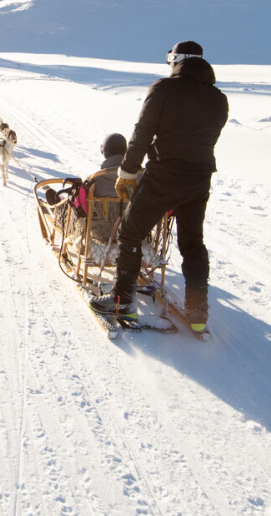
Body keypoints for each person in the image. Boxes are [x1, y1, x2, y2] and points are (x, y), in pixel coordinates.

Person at [91, 40, 228, 332]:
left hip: (165, 176)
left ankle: (122, 302)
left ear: (176, 60)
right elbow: (204, 139)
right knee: (192, 243)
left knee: (129, 232)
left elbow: (142, 133)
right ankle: (197, 311)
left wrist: (127, 171)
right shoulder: (219, 99)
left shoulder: (163, 89)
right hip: (200, 178)